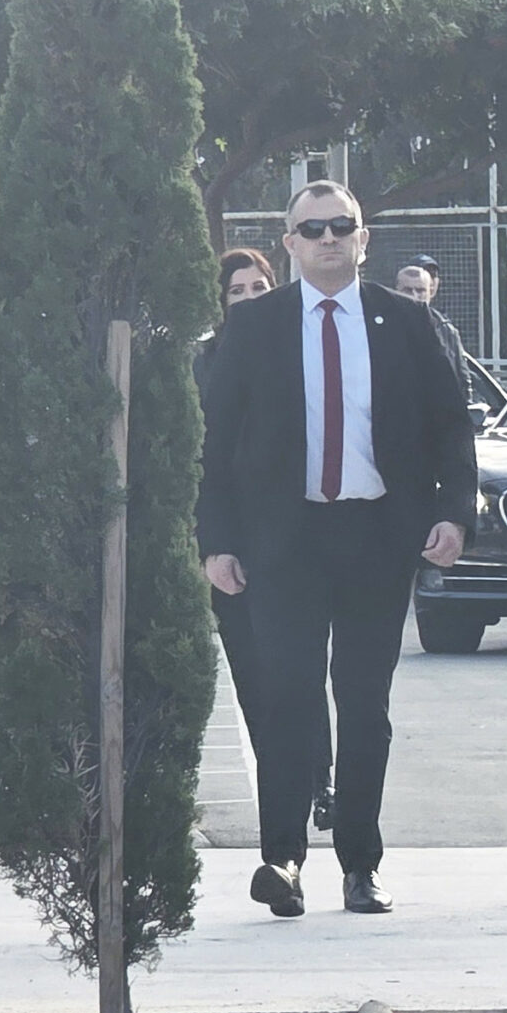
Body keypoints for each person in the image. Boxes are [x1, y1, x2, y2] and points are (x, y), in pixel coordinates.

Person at [196, 181, 477, 917]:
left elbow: (452, 426)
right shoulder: (254, 327)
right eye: (311, 228)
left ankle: (360, 861)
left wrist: (453, 514)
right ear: (287, 242)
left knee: (362, 702)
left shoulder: (405, 324)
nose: (327, 239)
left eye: (340, 227)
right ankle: (283, 858)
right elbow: (215, 445)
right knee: (285, 695)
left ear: (363, 239)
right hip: (282, 542)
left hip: (375, 536)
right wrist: (216, 541)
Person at [197, 249, 332, 822]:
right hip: (237, 539)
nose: (250, 299)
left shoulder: (299, 347)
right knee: (255, 668)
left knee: (305, 666)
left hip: (301, 535)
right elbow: (208, 459)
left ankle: (318, 782)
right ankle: (282, 779)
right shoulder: (205, 362)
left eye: (260, 287)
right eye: (237, 291)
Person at [393, 253, 475, 404]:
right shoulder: (380, 326)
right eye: (407, 290)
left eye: (420, 290)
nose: (414, 296)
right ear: (396, 290)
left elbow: (462, 382)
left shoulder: (446, 330)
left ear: (430, 291)